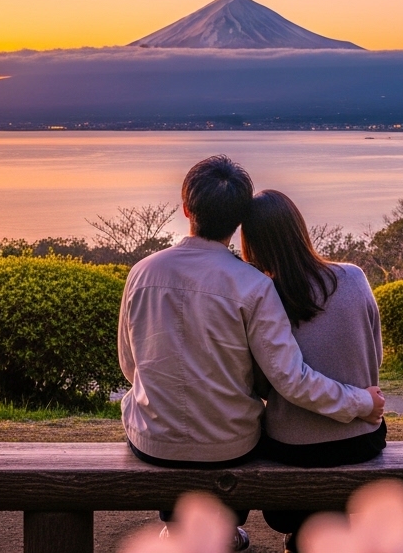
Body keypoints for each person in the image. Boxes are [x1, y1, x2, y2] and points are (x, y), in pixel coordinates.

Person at [118, 157, 385, 551]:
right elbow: (288, 378)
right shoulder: (253, 285)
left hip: (152, 440)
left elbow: (130, 366)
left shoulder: (141, 272)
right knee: (244, 431)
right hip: (231, 445)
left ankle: (189, 529)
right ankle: (225, 529)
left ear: (186, 207)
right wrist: (360, 401)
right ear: (238, 219)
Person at [241, 189, 386, 552]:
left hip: (293, 449)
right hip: (361, 441)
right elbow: (376, 356)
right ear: (299, 228)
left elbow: (263, 384)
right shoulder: (353, 277)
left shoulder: (264, 296)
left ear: (252, 245)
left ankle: (306, 537)